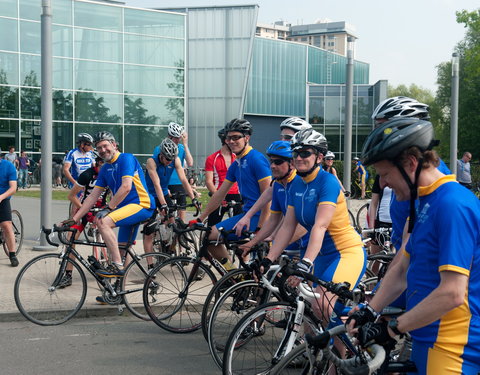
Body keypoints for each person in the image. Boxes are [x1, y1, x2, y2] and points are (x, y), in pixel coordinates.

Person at [347, 117, 480, 375]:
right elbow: (402, 268)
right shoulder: (423, 201)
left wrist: (392, 328)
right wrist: (370, 310)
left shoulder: (452, 205)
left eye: (385, 174)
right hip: (428, 338)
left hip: (452, 348)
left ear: (410, 163)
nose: (382, 184)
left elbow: (452, 292)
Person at [260, 129, 366, 324]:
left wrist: (305, 262)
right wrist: (269, 259)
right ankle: (320, 352)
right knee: (309, 313)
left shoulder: (328, 182)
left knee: (323, 305)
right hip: (322, 256)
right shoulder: (297, 184)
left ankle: (342, 354)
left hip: (346, 253)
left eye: (305, 153)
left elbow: (320, 226)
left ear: (319, 157)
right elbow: (287, 227)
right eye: (296, 153)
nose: (299, 158)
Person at [66, 131, 155, 277]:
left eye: (105, 146)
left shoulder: (126, 158)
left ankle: (117, 265)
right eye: (99, 148)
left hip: (141, 204)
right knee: (121, 250)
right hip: (125, 209)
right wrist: (74, 219)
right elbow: (93, 196)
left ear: (114, 145)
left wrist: (109, 208)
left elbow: (126, 187)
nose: (102, 150)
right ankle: (118, 293)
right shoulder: (106, 168)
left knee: (103, 222)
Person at [193, 118, 271, 269]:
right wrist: (200, 218)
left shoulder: (256, 159)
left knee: (262, 267)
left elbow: (268, 197)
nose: (231, 141)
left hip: (261, 217)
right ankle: (234, 275)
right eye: (228, 138)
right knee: (209, 237)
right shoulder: (236, 164)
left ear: (246, 138)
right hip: (247, 214)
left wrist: (260, 228)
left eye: (236, 137)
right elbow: (219, 194)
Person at [234, 117, 312, 235]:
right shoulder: (285, 174)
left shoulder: (307, 175)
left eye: (288, 138)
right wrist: (248, 217)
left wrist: (275, 240)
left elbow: (306, 221)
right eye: (282, 136)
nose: (283, 140)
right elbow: (270, 192)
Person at [238, 141, 308, 258]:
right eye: (271, 161)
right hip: (294, 241)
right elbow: (273, 220)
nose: (272, 166)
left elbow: (304, 225)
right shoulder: (278, 185)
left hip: (312, 244)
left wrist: (275, 245)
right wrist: (252, 243)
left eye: (278, 162)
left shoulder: (300, 183)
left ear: (292, 163)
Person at [59, 154, 109, 289]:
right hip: (84, 209)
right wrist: (83, 209)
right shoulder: (87, 175)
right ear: (97, 163)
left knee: (106, 235)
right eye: (102, 165)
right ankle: (67, 274)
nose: (104, 168)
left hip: (100, 210)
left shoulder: (111, 174)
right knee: (71, 238)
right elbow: (72, 195)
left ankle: (109, 264)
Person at [143, 138, 199, 256]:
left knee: (172, 223)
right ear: (161, 154)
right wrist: (163, 204)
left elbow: (183, 179)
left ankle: (168, 247)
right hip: (149, 195)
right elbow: (156, 184)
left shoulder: (175, 160)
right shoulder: (151, 162)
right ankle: (150, 265)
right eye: (167, 159)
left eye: (171, 159)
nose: (170, 161)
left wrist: (193, 197)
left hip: (163, 192)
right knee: (149, 231)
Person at [152, 123, 193, 222]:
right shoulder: (159, 149)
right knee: (168, 217)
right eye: (176, 138)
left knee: (181, 213)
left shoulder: (182, 148)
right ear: (169, 136)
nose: (178, 140)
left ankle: (179, 236)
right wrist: (164, 188)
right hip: (166, 183)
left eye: (179, 137)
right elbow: (157, 171)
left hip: (178, 182)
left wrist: (185, 144)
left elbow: (190, 163)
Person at [204, 128, 241, 226]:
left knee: (240, 228)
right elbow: (208, 181)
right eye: (232, 139)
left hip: (236, 194)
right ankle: (208, 239)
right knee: (211, 228)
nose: (234, 143)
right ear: (226, 141)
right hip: (218, 193)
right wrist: (218, 197)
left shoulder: (238, 157)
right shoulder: (212, 158)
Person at [0, 156, 19, 266]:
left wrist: (1, 197)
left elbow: (13, 188)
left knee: (6, 225)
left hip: (3, 198)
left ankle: (12, 254)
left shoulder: (8, 166)